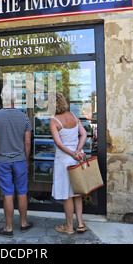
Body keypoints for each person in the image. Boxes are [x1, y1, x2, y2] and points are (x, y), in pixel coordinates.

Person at [0, 85, 34, 237]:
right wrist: (26, 159)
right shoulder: (24, 117)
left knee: (8, 194)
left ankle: (8, 228)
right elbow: (27, 143)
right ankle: (23, 223)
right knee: (22, 192)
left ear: (2, 98)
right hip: (20, 160)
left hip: (2, 161)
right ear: (15, 99)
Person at [48, 91, 88, 234]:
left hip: (64, 160)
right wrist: (78, 151)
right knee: (77, 192)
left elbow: (59, 144)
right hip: (77, 158)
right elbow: (84, 134)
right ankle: (81, 223)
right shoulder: (73, 116)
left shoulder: (54, 120)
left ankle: (69, 227)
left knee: (67, 194)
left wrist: (72, 153)